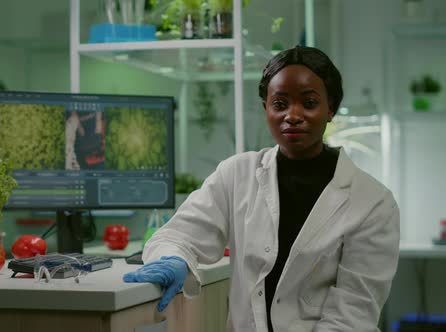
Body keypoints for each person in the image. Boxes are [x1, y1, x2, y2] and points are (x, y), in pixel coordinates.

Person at [123, 46, 400, 332]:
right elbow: (179, 235)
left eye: (309, 103)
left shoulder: (373, 202)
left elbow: (352, 314)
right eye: (280, 104)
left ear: (331, 108)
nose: (292, 115)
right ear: (265, 108)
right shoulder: (236, 175)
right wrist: (173, 258)